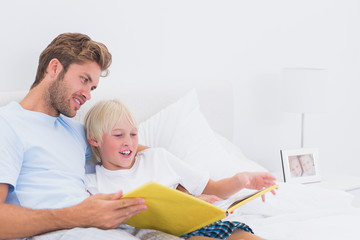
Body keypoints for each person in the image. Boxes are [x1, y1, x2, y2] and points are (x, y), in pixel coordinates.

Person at [0, 33, 181, 240]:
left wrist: (181, 184)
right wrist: (75, 216)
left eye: (92, 87)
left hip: (114, 228)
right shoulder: (7, 124)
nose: (88, 94)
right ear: (54, 68)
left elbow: (125, 149)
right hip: (65, 233)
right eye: (84, 80)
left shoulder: (76, 131)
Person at [84, 99, 277, 240]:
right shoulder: (93, 184)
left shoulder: (158, 157)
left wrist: (242, 180)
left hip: (199, 224)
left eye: (134, 134)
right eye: (118, 135)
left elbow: (214, 189)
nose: (129, 142)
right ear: (94, 139)